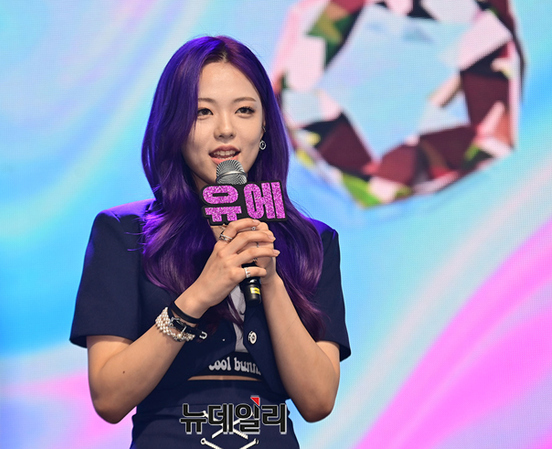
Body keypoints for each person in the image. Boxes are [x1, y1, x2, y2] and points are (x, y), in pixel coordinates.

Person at [70, 35, 350, 448]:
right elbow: (109, 397)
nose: (226, 130)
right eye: (203, 112)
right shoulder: (124, 232)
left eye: (244, 110)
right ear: (174, 126)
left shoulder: (312, 242)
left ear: (265, 125)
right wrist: (200, 295)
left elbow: (318, 400)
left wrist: (271, 281)